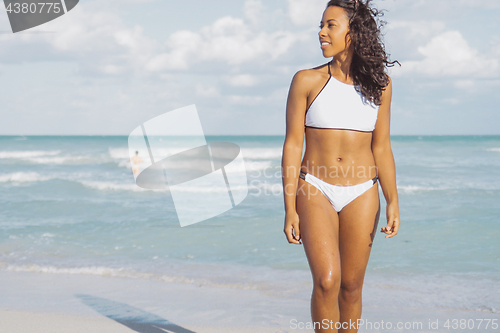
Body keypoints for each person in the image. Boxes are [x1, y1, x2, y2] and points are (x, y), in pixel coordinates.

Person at [281, 0, 401, 332]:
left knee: (350, 286)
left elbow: (382, 147)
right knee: (327, 281)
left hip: (363, 191)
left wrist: (393, 200)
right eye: (321, 25)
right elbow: (293, 145)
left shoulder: (381, 86)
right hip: (315, 187)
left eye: (330, 25)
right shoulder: (306, 80)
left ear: (354, 32)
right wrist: (289, 207)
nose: (321, 32)